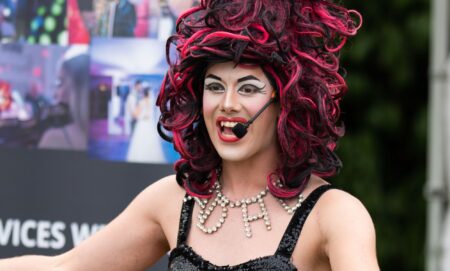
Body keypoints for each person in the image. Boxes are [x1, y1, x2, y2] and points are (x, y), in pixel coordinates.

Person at [0, 0, 379, 270]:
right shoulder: (173, 200)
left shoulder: (335, 216)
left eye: (247, 88)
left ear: (288, 103)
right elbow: (67, 266)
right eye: (215, 86)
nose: (227, 104)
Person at [126, 86, 165, 163]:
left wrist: (130, 109)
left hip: (142, 124)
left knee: (140, 142)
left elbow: (136, 114)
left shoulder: (142, 102)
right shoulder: (151, 102)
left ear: (143, 94)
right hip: (150, 125)